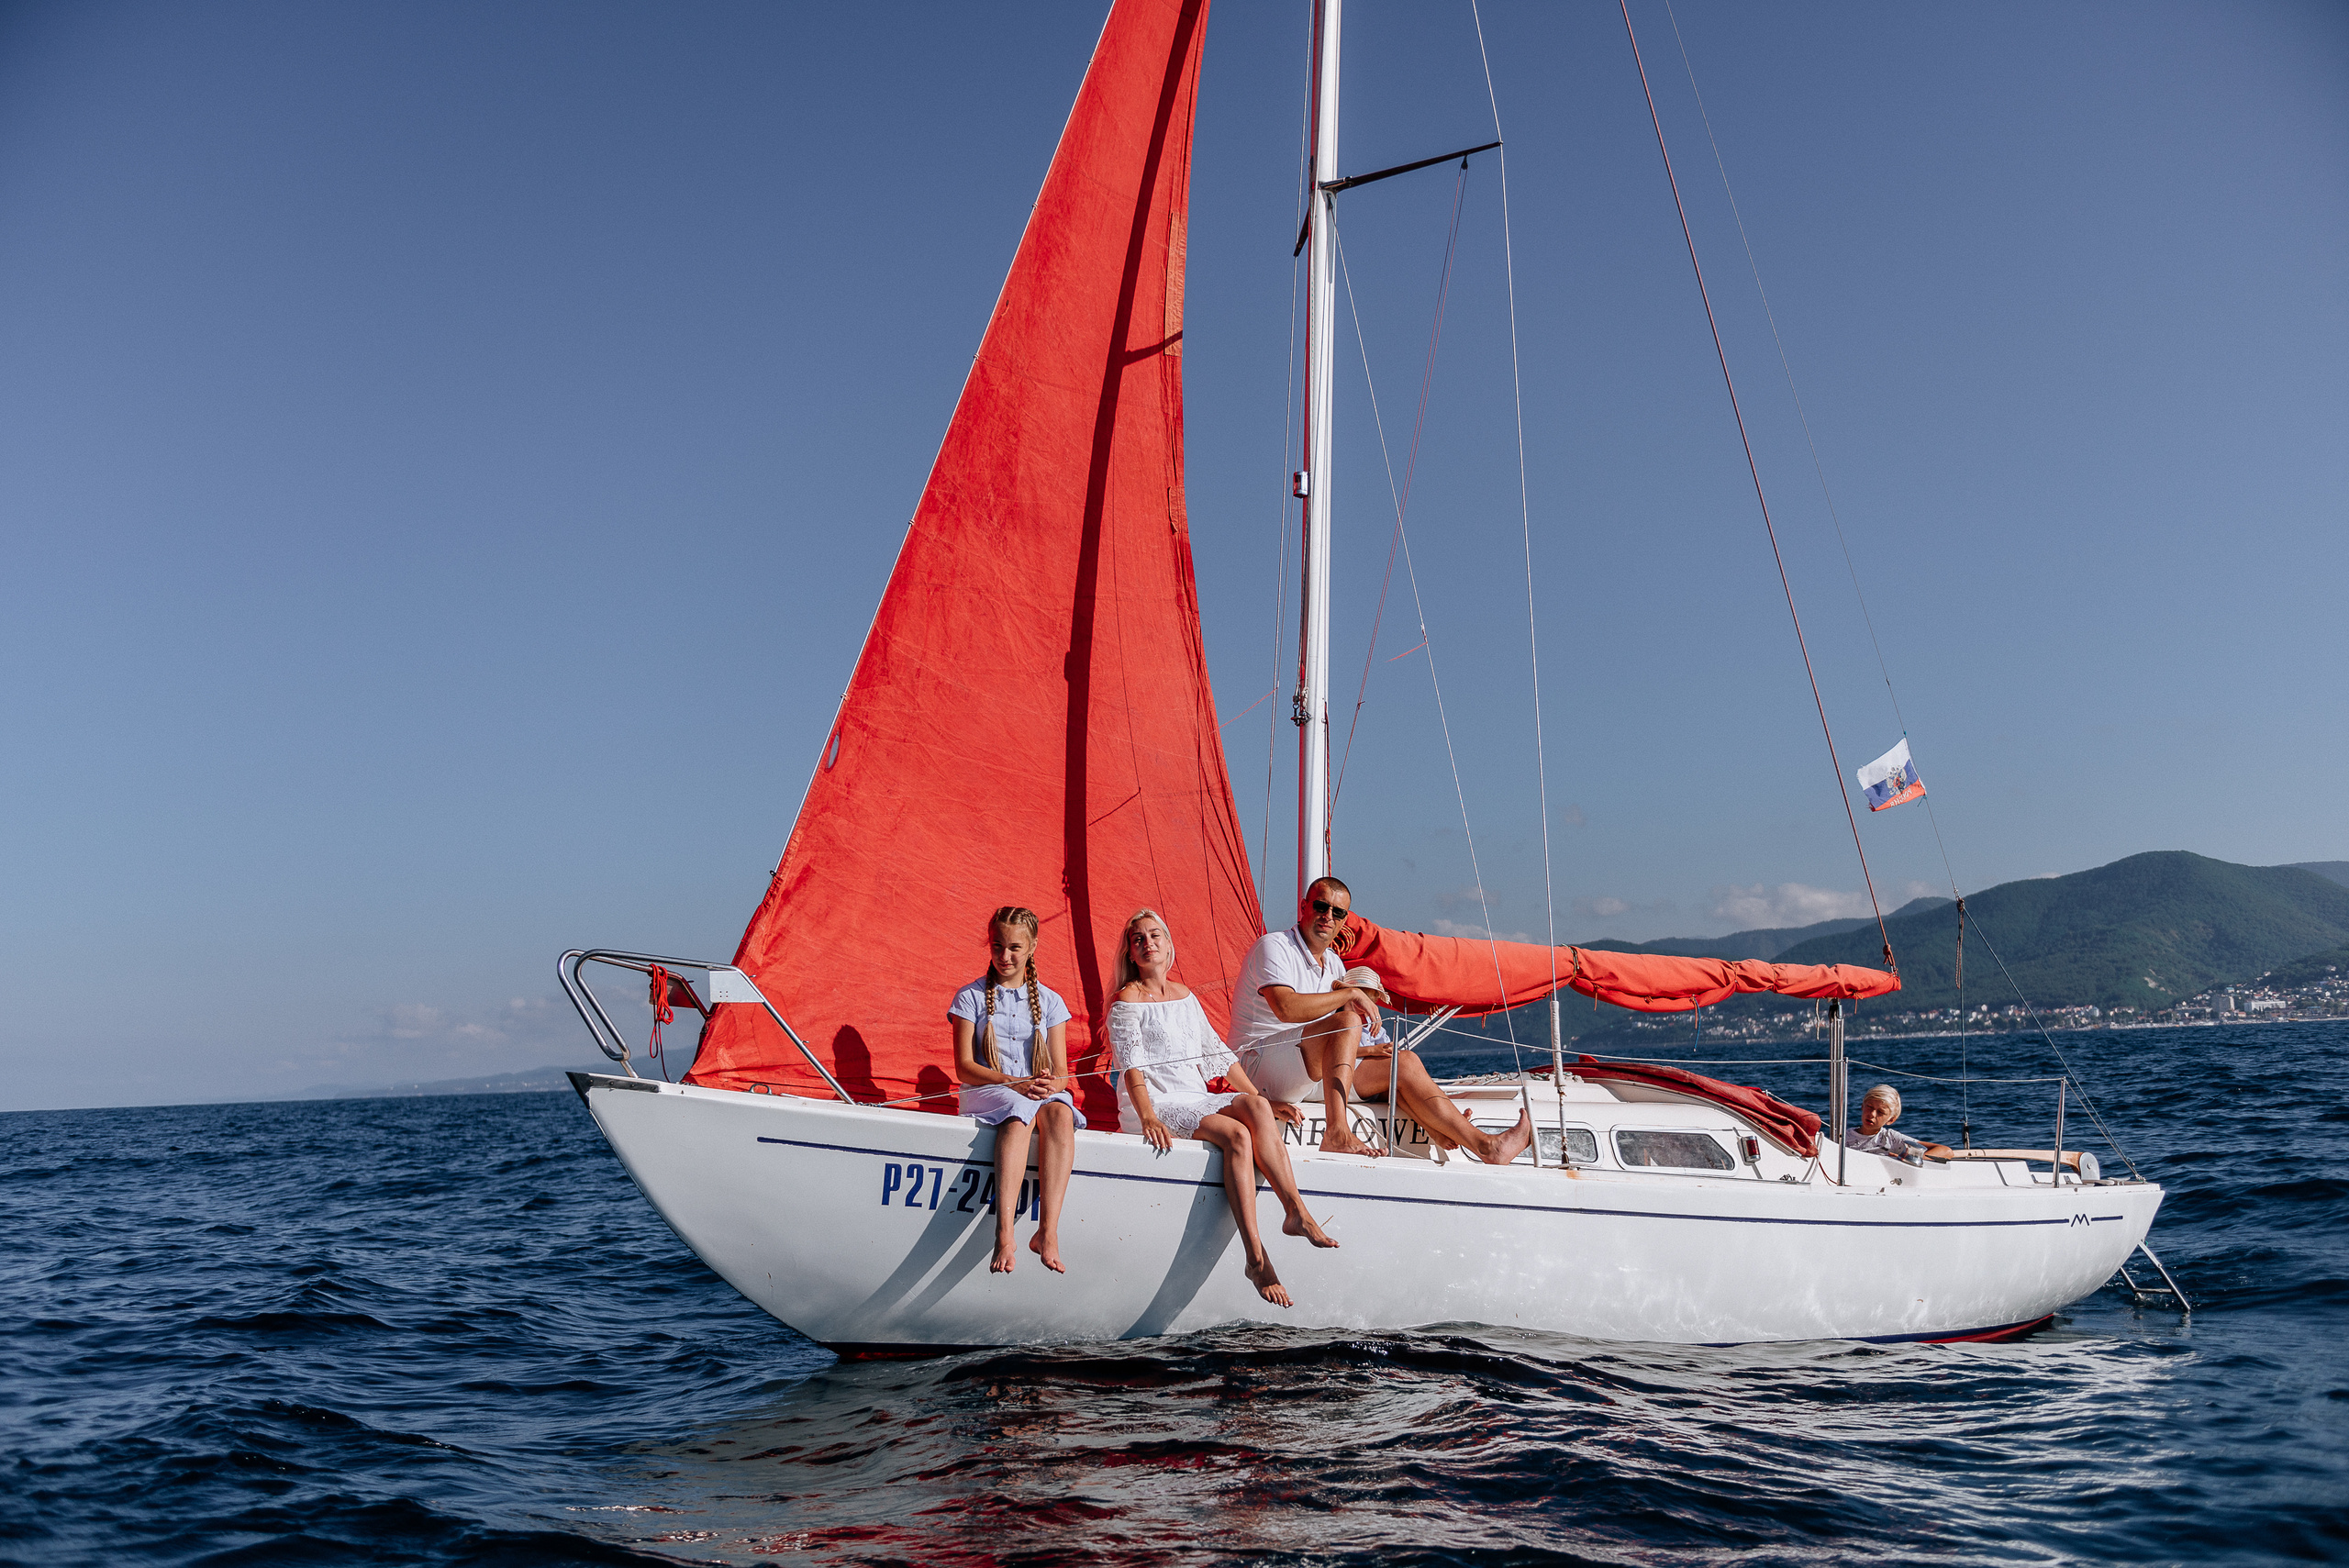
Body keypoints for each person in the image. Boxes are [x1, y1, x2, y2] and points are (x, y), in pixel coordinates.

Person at [1108, 908, 1338, 1308]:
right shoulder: (1126, 1001)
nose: (1148, 944)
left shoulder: (1184, 995)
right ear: (1130, 953)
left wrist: (1261, 1100)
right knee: (1236, 1135)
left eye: (1155, 936)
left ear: (1168, 944)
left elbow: (1218, 1053)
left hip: (1193, 1095)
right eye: (1139, 939)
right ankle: (1256, 1257)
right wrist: (1147, 1116)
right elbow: (1133, 1067)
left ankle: (1295, 1210)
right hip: (1156, 1101)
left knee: (1256, 1109)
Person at [1231, 877, 1531, 1164]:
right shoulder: (1273, 947)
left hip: (1302, 1070)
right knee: (1348, 1020)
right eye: (1321, 907)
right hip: (1256, 1067)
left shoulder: (1334, 963)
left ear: (1344, 919)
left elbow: (1334, 1046)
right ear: (1303, 907)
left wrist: (1366, 1052)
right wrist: (1350, 995)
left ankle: (1486, 1145)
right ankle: (1336, 1134)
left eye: (1338, 912)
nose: (1328, 917)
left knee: (1405, 1062)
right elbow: (1287, 1009)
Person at [948, 906, 1082, 1275]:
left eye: (1014, 948)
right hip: (987, 1091)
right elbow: (964, 1067)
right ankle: (1004, 1233)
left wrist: (1045, 1085)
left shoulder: (1051, 1002)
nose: (1004, 956)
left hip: (1031, 1092)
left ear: (1032, 947)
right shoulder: (970, 997)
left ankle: (1047, 1232)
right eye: (997, 946)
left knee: (1061, 1111)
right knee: (1019, 1110)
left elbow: (1062, 1075)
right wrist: (1014, 1083)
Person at [1337, 966, 1547, 1170]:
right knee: (1405, 1063)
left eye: (1372, 997)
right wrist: (1373, 1052)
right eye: (1363, 995)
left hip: (1365, 1081)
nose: (1368, 1003)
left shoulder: (1374, 1028)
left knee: (1400, 1088)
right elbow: (1333, 1052)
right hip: (1342, 1075)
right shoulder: (1338, 1020)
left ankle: (1439, 1129)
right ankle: (1486, 1145)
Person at [1842, 1084, 1953, 1162]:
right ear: (1862, 1106)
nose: (1872, 1114)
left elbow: (1946, 1151)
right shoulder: (1842, 1137)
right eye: (1869, 1107)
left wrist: (1907, 1159)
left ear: (1891, 1120)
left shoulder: (1892, 1138)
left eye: (1880, 1112)